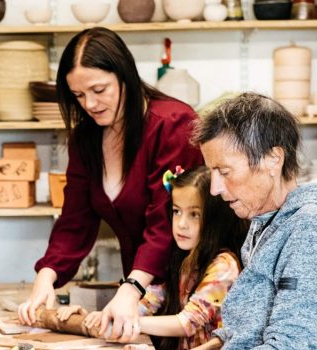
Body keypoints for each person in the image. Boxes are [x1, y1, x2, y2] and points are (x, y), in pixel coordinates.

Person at [17, 27, 204, 343]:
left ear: (124, 76)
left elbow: (164, 222)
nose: (89, 103)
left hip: (190, 287)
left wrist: (131, 290)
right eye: (78, 95)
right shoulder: (85, 139)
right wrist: (45, 278)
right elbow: (74, 220)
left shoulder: (173, 124)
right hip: (141, 291)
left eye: (99, 89)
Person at [187, 92, 317, 349]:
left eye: (224, 171)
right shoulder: (265, 222)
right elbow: (246, 329)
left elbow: (290, 345)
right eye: (212, 172)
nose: (214, 189)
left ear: (273, 159)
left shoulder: (311, 229)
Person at [58, 165, 248, 350]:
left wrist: (133, 322)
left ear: (215, 218)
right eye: (176, 211)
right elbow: (149, 301)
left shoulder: (223, 266)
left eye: (194, 215)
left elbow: (187, 322)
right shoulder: (183, 260)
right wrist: (102, 316)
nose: (181, 223)